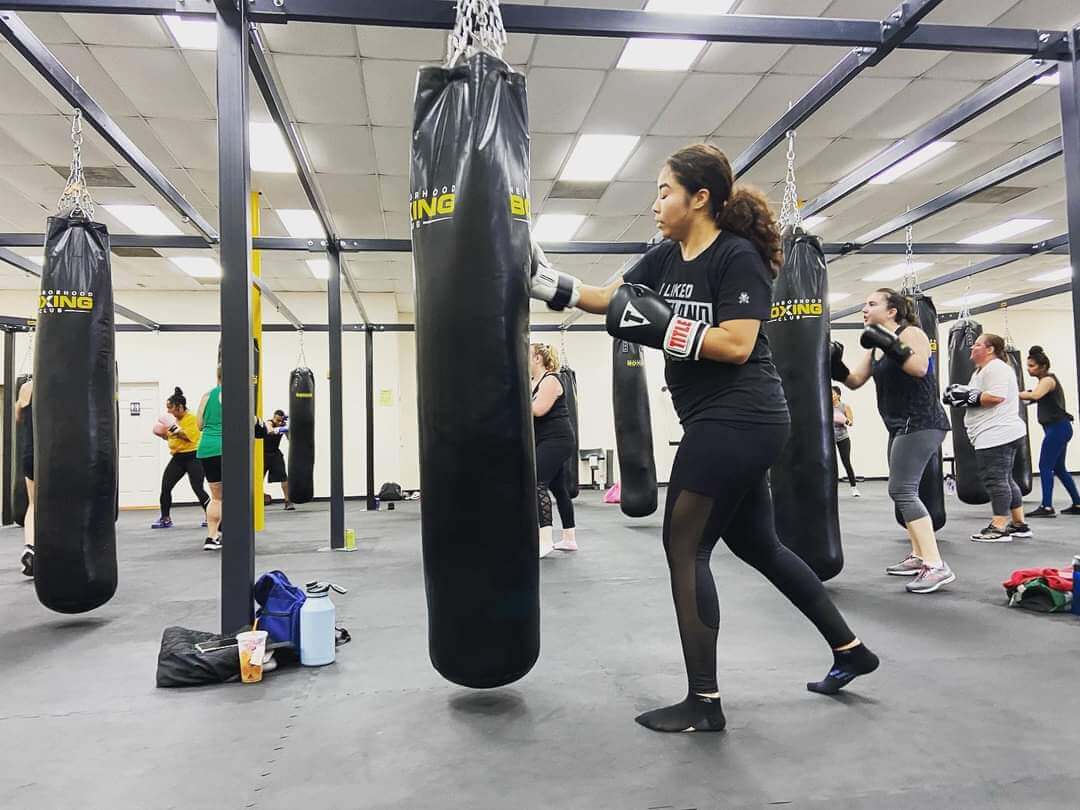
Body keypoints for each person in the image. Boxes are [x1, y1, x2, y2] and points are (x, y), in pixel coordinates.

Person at [531, 143, 877, 732]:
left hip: (739, 415)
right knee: (758, 544)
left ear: (700, 197)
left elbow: (737, 344)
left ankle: (704, 702)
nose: (656, 204)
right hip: (722, 420)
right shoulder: (664, 257)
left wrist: (667, 328)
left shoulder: (736, 256)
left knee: (684, 547)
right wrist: (542, 281)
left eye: (664, 191)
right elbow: (608, 300)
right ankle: (850, 650)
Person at [832, 288, 955, 593]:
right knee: (901, 490)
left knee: (901, 489)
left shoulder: (911, 332)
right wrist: (832, 363)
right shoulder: (873, 345)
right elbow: (855, 381)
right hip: (899, 425)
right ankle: (918, 554)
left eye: (871, 303)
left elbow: (919, 368)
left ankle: (936, 565)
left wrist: (887, 341)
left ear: (892, 311)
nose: (864, 308)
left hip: (923, 420)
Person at [943, 334, 1032, 542]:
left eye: (977, 344)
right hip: (996, 432)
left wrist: (968, 397)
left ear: (990, 349)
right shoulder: (981, 370)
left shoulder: (996, 368)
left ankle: (999, 527)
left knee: (996, 480)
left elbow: (996, 397)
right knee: (1006, 479)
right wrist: (965, 395)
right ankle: (1019, 524)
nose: (972, 348)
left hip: (997, 433)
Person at [1019, 345, 1080, 517]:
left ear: (1043, 366)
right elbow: (1034, 395)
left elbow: (1035, 395)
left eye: (1032, 366)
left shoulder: (1047, 380)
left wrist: (1010, 393)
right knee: (1059, 468)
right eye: (1027, 366)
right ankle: (1078, 503)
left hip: (1058, 428)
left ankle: (1047, 506)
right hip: (1058, 429)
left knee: (1045, 466)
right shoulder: (1043, 382)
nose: (1029, 370)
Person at [530, 344, 576, 557]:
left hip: (557, 440)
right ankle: (569, 539)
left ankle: (545, 540)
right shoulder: (533, 382)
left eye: (527, 354)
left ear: (537, 358)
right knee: (559, 489)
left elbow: (538, 410)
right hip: (546, 440)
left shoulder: (550, 380)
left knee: (537, 482)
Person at [151, 387, 211, 529]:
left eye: (170, 408)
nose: (168, 411)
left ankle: (212, 517)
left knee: (197, 488)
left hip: (193, 456)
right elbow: (171, 438)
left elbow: (186, 437)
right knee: (166, 486)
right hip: (178, 458)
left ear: (179, 407)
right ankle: (165, 518)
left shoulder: (192, 419)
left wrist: (171, 427)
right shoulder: (174, 420)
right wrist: (162, 434)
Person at [196, 368, 223, 551]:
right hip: (227, 447)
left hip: (207, 448)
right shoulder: (237, 393)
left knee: (216, 497)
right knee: (236, 494)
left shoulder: (207, 395)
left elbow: (199, 425)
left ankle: (212, 537)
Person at [16, 379, 34, 577]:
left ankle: (30, 548)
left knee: (33, 505)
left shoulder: (26, 388)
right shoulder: (64, 382)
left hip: (31, 452)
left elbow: (18, 417)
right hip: (57, 454)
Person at [262, 409, 293, 511]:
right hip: (263, 454)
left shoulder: (282, 425)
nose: (278, 422)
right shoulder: (268, 422)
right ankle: (254, 501)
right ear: (274, 417)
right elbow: (270, 430)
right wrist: (282, 428)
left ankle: (288, 501)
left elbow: (289, 439)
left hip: (275, 453)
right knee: (257, 479)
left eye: (280, 421)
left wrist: (288, 429)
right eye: (277, 420)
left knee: (284, 477)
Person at [832, 385, 860, 497]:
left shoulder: (844, 407)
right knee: (831, 464)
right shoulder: (826, 407)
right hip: (830, 438)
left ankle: (854, 488)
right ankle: (832, 489)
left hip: (843, 438)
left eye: (833, 393)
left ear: (838, 395)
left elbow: (851, 422)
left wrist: (843, 420)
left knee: (846, 462)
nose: (831, 395)